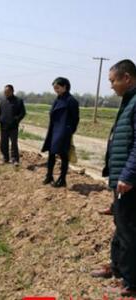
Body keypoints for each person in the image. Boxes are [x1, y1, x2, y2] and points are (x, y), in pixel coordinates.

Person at [91, 59, 136, 297]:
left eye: (112, 81)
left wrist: (128, 175)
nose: (111, 86)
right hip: (121, 180)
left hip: (129, 182)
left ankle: (130, 282)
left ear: (126, 78)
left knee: (129, 230)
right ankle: (118, 268)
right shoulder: (129, 101)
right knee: (120, 226)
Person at [41, 77, 79, 187]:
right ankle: (49, 176)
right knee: (51, 154)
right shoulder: (57, 99)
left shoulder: (71, 101)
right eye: (54, 88)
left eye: (57, 88)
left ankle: (62, 179)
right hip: (53, 130)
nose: (56, 90)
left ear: (64, 87)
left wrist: (69, 130)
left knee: (63, 155)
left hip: (63, 131)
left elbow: (75, 119)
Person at [0, 84, 26, 165]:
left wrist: (16, 120)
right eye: (5, 92)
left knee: (13, 144)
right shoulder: (2, 100)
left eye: (8, 91)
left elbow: (23, 113)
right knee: (3, 143)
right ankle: (5, 158)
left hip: (13, 127)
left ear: (12, 91)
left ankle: (15, 160)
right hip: (3, 126)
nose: (6, 93)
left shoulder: (18, 101)